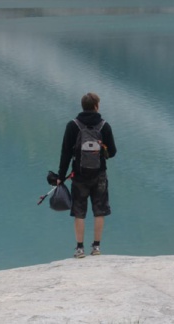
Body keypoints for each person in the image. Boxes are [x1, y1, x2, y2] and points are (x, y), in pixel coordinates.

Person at [57, 92, 117, 258]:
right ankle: (96, 247)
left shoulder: (73, 125)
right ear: (96, 106)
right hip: (100, 175)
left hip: (79, 175)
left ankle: (79, 248)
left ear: (83, 106)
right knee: (99, 210)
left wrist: (61, 176)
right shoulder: (104, 126)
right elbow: (112, 152)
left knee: (79, 211)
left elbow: (65, 153)